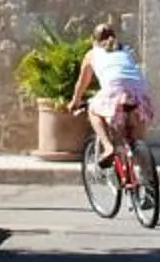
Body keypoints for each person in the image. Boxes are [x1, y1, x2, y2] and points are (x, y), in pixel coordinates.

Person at [66, 22, 155, 164]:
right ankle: (144, 173)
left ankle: (108, 147)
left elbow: (81, 84)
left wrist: (74, 101)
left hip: (114, 89)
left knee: (93, 110)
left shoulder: (92, 54)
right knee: (135, 139)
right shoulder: (126, 50)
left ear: (93, 40)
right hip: (140, 91)